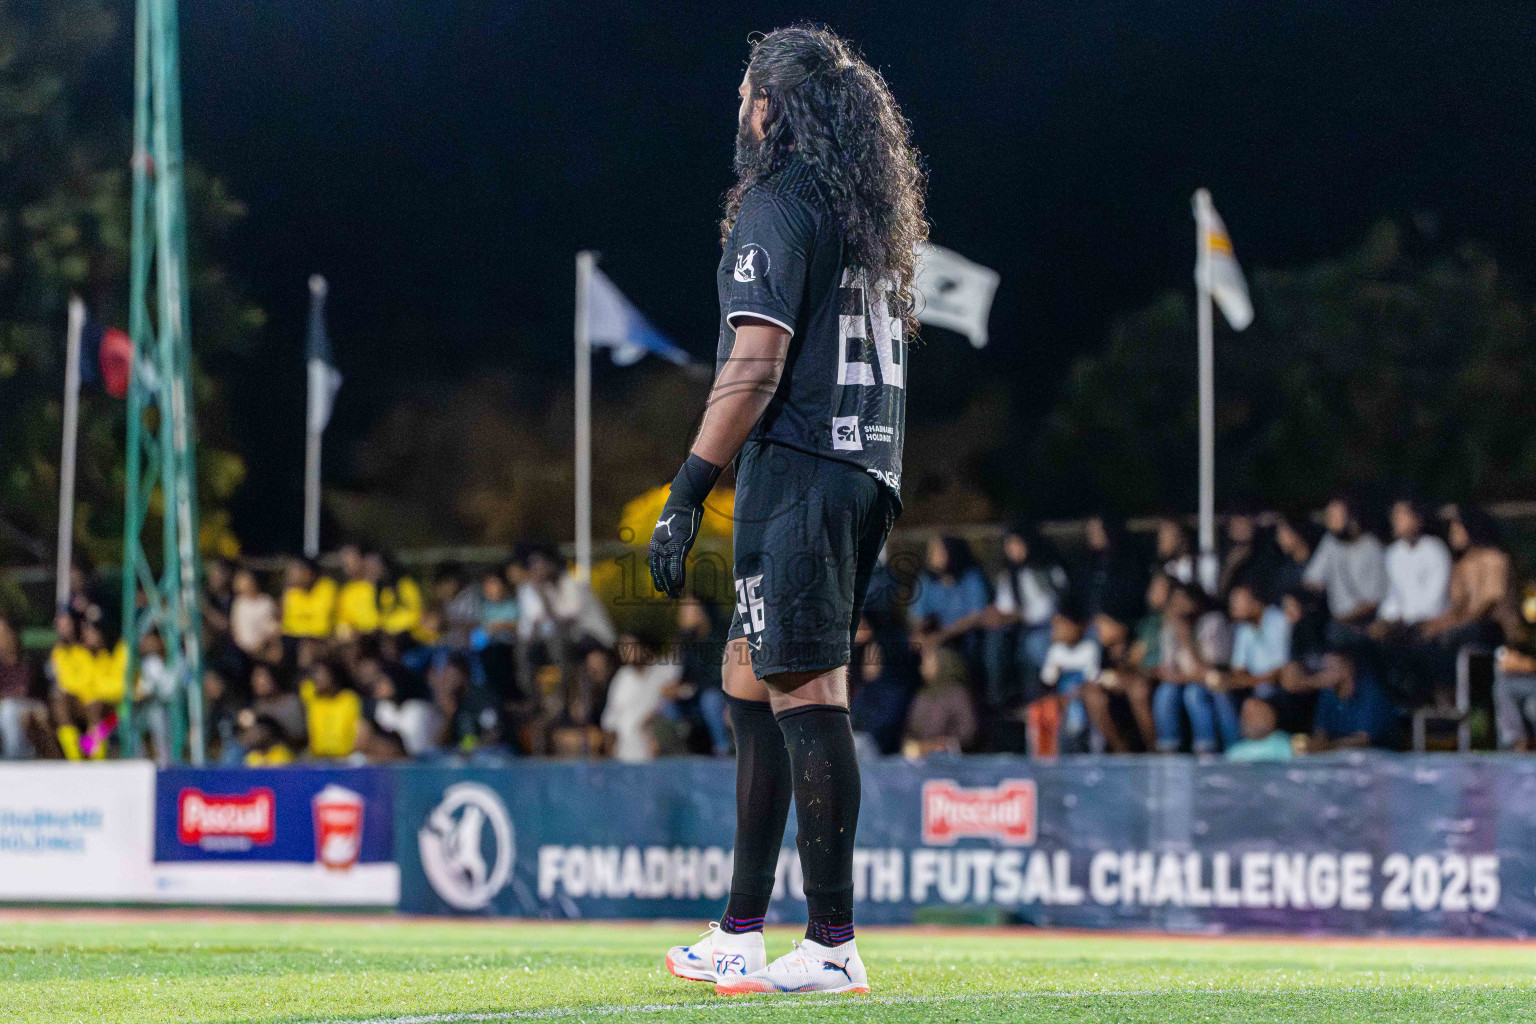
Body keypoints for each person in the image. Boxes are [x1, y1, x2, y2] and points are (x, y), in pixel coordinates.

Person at [648, 24, 924, 996]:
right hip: (863, 467)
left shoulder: (778, 200)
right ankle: (738, 929)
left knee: (809, 693)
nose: (738, 108)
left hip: (803, 469)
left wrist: (687, 492)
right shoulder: (869, 216)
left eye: (744, 93)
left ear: (772, 106)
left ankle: (833, 942)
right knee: (747, 673)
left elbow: (755, 361)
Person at [984, 524, 1067, 714]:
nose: (1012, 548)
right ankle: (999, 701)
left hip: (1047, 628)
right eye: (1009, 544)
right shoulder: (1009, 576)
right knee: (994, 642)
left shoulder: (1049, 570)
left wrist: (1016, 616)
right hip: (1018, 628)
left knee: (1030, 648)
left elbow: (1046, 609)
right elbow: (1005, 607)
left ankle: (1034, 702)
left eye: (1016, 543)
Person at [1152, 583, 1233, 754]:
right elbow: (1166, 671)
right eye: (1174, 601)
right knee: (1165, 692)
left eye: (1183, 599)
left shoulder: (1214, 622)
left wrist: (1186, 640)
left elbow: (1208, 672)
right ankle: (1168, 748)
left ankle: (1206, 749)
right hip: (1185, 680)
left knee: (1194, 694)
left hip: (1212, 682)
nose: (1177, 605)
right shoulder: (1172, 626)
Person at [1303, 496, 1387, 644]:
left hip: (1363, 627)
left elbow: (1375, 601)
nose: (1329, 521)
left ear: (1352, 518)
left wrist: (1340, 618)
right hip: (1337, 625)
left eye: (1334, 516)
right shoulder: (1331, 542)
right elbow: (1311, 579)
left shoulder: (1371, 548)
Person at [1290, 648, 1401, 752]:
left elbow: (1363, 740)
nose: (1324, 674)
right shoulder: (1327, 694)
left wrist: (1327, 747)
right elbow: (1321, 732)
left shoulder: (1372, 694)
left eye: (1329, 669)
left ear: (1347, 669)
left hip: (1376, 760)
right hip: (1337, 759)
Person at [1080, 606, 1156, 753]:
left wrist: (1124, 677)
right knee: (1092, 695)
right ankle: (1120, 752)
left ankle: (1153, 749)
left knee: (1138, 691)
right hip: (1113, 699)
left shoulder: (1138, 642)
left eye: (1104, 623)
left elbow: (1150, 672)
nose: (1099, 628)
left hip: (1141, 692)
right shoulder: (1100, 649)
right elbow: (1094, 675)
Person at [599, 634, 681, 764]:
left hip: (658, 750)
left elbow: (678, 690)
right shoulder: (622, 678)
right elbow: (610, 721)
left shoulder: (663, 671)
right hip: (625, 755)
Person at [1036, 603, 1101, 755]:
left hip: (1083, 698)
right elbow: (1048, 680)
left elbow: (1093, 678)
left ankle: (1093, 747)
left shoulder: (1089, 648)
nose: (1057, 631)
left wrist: (1077, 693)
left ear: (1077, 626)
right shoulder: (1055, 651)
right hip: (1062, 701)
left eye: (1062, 626)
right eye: (1055, 627)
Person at [902, 641, 976, 756]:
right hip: (921, 756)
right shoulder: (921, 695)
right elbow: (910, 730)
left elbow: (968, 731)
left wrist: (945, 742)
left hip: (951, 757)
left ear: (943, 663)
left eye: (928, 661)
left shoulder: (957, 693)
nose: (923, 666)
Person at [300, 662, 362, 759]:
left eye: (321, 674)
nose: (316, 678)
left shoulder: (348, 698)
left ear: (333, 675)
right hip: (317, 759)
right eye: (314, 674)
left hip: (344, 759)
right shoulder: (312, 697)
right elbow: (304, 683)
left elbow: (359, 729)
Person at [0, 616, 38, 759]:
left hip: (108, 714)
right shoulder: (70, 655)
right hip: (94, 716)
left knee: (8, 709)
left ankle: (14, 758)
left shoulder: (26, 663)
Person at [281, 557, 337, 642]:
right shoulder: (293, 593)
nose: (290, 576)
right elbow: (288, 625)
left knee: (307, 648)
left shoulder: (326, 587)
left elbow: (322, 626)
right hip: (296, 639)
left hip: (321, 640)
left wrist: (300, 629)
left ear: (307, 572)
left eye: (294, 572)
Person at [1224, 697, 1292, 761]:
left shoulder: (1287, 744)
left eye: (1258, 713)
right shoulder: (1234, 753)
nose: (1254, 719)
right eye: (1249, 715)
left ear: (1272, 716)